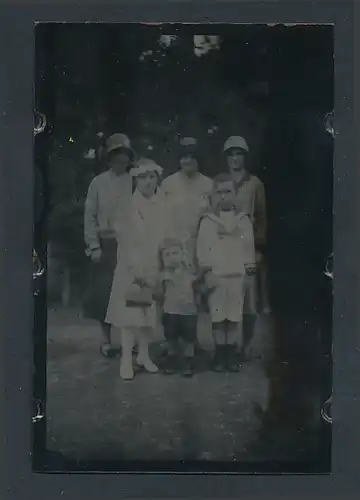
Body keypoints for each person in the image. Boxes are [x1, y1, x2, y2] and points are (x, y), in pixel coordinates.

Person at [105, 158, 165, 381]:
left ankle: (144, 355)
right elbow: (126, 239)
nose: (148, 182)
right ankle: (126, 360)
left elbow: (163, 235)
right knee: (130, 314)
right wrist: (136, 267)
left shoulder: (161, 204)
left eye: (152, 177)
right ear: (135, 180)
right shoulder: (129, 206)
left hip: (152, 265)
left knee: (148, 313)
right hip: (132, 266)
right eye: (143, 178)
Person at [196, 174, 256, 372]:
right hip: (217, 275)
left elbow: (248, 247)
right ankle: (220, 351)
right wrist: (207, 272)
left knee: (233, 316)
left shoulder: (243, 220)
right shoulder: (208, 221)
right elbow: (203, 248)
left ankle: (231, 351)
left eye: (228, 191)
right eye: (219, 192)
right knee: (218, 316)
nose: (224, 196)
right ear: (214, 195)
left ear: (235, 193)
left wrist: (248, 271)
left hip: (237, 275)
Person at [83, 133, 134, 358]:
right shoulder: (98, 182)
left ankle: (128, 341)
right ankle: (106, 340)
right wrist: (93, 246)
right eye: (115, 154)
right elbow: (90, 216)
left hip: (129, 244)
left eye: (123, 154)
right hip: (106, 243)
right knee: (104, 293)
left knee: (128, 293)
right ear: (108, 157)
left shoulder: (135, 180)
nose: (119, 159)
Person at [160, 136, 213, 353]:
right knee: (171, 294)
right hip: (171, 246)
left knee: (194, 294)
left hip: (197, 245)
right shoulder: (168, 184)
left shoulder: (208, 184)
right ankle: (172, 342)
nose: (188, 160)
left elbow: (211, 218)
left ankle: (192, 341)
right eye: (184, 157)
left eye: (192, 156)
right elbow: (160, 216)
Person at [223, 136, 270, 359]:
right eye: (231, 154)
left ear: (245, 157)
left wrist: (258, 248)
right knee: (226, 298)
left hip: (248, 248)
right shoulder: (220, 182)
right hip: (225, 247)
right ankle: (227, 345)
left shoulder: (255, 184)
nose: (235, 158)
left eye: (238, 154)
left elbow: (261, 217)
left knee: (249, 302)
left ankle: (245, 345)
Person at [159, 237, 201, 377]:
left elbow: (197, 287)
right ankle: (172, 360)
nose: (172, 258)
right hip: (171, 311)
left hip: (188, 311)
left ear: (183, 254)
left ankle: (188, 362)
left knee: (189, 338)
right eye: (167, 255)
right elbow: (158, 293)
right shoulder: (164, 274)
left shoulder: (189, 271)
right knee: (171, 337)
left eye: (175, 253)